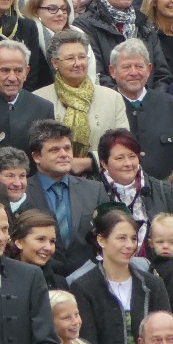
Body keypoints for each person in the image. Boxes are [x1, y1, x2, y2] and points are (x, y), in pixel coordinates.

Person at [70, 207, 171, 344]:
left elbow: (166, 330)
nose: (129, 245)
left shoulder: (153, 284)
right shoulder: (83, 287)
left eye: (133, 238)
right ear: (101, 240)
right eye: (121, 238)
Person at [25, 120, 106, 280]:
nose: (64, 154)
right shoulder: (23, 191)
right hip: (40, 279)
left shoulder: (95, 190)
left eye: (67, 148)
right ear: (36, 156)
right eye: (54, 150)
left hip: (89, 281)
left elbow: (107, 234)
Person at [34, 30, 126, 170]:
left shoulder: (112, 98)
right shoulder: (39, 98)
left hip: (102, 175)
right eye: (70, 58)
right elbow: (36, 147)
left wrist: (90, 162)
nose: (78, 63)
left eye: (82, 57)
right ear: (55, 63)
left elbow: (123, 145)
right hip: (53, 175)